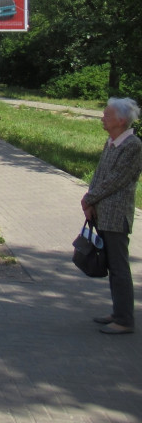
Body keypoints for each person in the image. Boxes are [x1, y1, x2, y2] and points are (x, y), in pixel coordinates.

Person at [81, 97, 142, 335]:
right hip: (102, 213)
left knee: (119, 267)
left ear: (121, 120)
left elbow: (116, 180)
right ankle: (118, 313)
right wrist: (89, 199)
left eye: (107, 115)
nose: (102, 118)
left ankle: (125, 320)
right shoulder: (111, 141)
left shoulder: (133, 146)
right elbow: (99, 175)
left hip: (117, 216)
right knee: (112, 265)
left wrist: (90, 199)